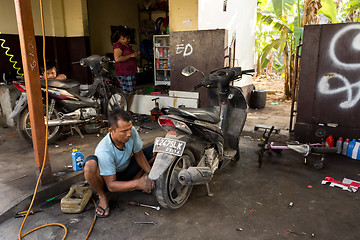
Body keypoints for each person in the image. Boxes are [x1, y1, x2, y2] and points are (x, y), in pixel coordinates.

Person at [84, 108, 155, 217]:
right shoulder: (104, 150)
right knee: (90, 166)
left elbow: (139, 155)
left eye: (130, 129)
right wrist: (138, 184)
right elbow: (111, 185)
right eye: (124, 131)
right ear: (111, 131)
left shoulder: (131, 133)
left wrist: (152, 175)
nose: (128, 134)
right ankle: (103, 196)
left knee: (157, 149)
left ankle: (135, 181)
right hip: (110, 180)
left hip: (125, 170)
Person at [113, 27, 139, 102]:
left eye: (129, 38)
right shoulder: (118, 46)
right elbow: (117, 59)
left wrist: (135, 54)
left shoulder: (126, 46)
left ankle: (124, 109)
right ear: (121, 38)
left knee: (130, 92)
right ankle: (123, 109)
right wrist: (130, 56)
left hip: (130, 72)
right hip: (124, 73)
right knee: (127, 92)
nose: (129, 40)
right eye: (126, 38)